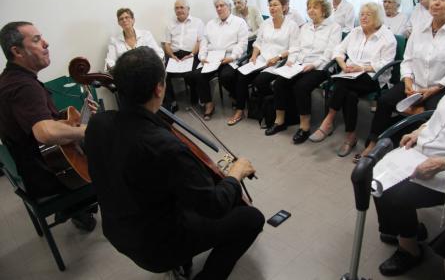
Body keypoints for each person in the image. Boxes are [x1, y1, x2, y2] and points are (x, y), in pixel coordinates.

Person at [85, 46, 264, 280]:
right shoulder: (164, 147)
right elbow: (214, 205)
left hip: (117, 230)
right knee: (252, 218)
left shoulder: (98, 123)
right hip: (157, 246)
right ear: (159, 88)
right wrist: (235, 174)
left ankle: (182, 262)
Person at [0, 21, 97, 231]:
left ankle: (82, 209)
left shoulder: (11, 79)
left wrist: (74, 121)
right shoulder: (23, 86)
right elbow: (44, 132)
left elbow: (32, 127)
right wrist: (87, 129)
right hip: (49, 174)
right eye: (36, 40)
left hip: (35, 166)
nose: (46, 43)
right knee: (113, 148)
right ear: (17, 51)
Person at [357, 0, 445, 162]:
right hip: (413, 84)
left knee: (430, 114)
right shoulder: (420, 27)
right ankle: (373, 143)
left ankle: (405, 150)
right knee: (385, 101)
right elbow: (408, 59)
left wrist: (433, 89)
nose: (436, 3)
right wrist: (407, 81)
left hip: (440, 88)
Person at [373, 79, 445, 276]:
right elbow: (440, 115)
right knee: (378, 175)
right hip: (425, 150)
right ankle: (406, 229)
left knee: (396, 193)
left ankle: (409, 250)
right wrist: (418, 131)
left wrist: (443, 163)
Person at [309, 3, 396, 157]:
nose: (363, 17)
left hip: (372, 77)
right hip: (350, 75)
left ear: (377, 17)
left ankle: (328, 120)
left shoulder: (387, 37)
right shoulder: (355, 32)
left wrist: (361, 68)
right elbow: (339, 50)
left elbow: (386, 64)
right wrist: (343, 64)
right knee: (349, 95)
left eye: (368, 14)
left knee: (341, 83)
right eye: (362, 14)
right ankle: (350, 137)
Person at [268, 0, 342, 142]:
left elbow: (330, 52)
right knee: (280, 83)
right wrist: (291, 61)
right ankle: (280, 121)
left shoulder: (334, 27)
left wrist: (314, 65)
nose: (311, 10)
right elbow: (296, 48)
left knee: (301, 87)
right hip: (300, 64)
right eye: (309, 7)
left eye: (315, 7)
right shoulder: (305, 27)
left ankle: (304, 127)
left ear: (324, 10)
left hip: (321, 67)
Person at [227, 0, 299, 126]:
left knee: (260, 82)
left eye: (275, 5)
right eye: (270, 5)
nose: (272, 8)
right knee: (240, 75)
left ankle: (269, 109)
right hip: (261, 59)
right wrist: (254, 56)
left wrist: (278, 57)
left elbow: (294, 48)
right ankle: (240, 110)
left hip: (277, 62)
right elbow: (258, 42)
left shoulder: (292, 25)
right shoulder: (265, 24)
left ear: (283, 7)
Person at [193, 0, 248, 120]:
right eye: (216, 6)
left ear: (228, 7)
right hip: (212, 57)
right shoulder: (210, 24)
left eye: (221, 5)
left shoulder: (239, 22)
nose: (219, 8)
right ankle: (209, 104)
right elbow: (204, 42)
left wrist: (233, 57)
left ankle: (235, 96)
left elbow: (243, 44)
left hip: (229, 56)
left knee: (226, 76)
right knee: (197, 74)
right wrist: (202, 56)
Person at [164, 0, 204, 107]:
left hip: (191, 54)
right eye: (176, 8)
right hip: (174, 55)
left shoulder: (197, 22)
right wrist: (172, 56)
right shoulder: (169, 24)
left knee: (191, 74)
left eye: (182, 7)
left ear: (188, 9)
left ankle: (195, 98)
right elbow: (167, 44)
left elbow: (200, 41)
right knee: (163, 74)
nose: (179, 10)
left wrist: (191, 54)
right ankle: (171, 102)